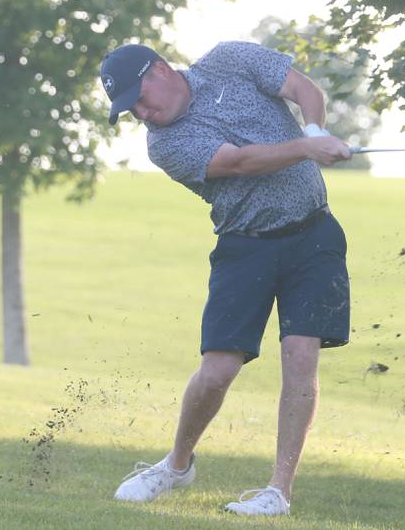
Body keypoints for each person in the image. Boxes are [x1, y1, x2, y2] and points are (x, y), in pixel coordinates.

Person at [99, 41, 352, 516]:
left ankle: (279, 491)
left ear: (160, 69)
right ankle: (176, 465)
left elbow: (302, 88)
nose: (141, 113)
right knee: (217, 372)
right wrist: (307, 146)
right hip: (245, 246)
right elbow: (239, 161)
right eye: (130, 109)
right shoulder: (165, 145)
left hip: (314, 236)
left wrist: (316, 130)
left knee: (301, 357)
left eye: (139, 97)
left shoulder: (230, 61)